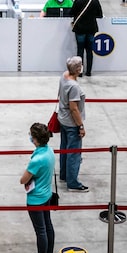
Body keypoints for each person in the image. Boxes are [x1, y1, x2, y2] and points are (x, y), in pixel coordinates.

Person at [20, 122, 56, 253]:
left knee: (40, 231)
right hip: (47, 194)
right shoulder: (49, 152)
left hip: (36, 199)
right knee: (47, 226)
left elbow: (23, 180)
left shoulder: (36, 160)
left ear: (35, 139)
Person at [57, 55, 88, 192]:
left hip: (62, 118)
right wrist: (80, 126)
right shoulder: (74, 86)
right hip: (71, 123)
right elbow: (74, 108)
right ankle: (73, 183)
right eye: (80, 65)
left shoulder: (64, 76)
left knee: (64, 148)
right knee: (74, 154)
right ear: (77, 69)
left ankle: (64, 175)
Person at [70, 0, 103, 77]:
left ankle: (80, 72)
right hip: (91, 29)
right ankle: (89, 71)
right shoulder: (95, 2)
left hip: (80, 29)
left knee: (80, 51)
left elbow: (71, 13)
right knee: (89, 50)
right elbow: (100, 15)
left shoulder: (77, 2)